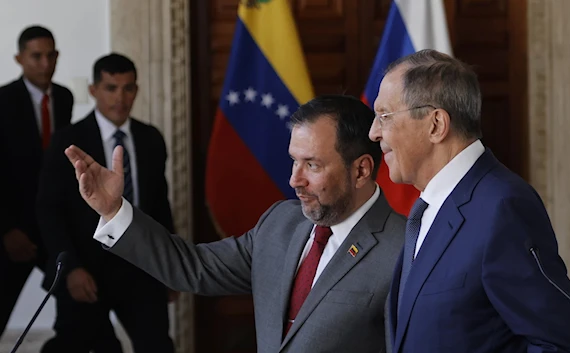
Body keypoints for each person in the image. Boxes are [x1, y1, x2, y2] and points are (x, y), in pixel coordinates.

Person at [64, 94, 407, 353]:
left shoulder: (408, 247)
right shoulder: (281, 223)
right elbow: (192, 267)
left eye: (312, 165)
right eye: (293, 162)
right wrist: (113, 211)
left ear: (361, 170)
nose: (294, 180)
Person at [369, 49, 570, 353]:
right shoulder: (427, 209)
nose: (373, 132)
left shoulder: (503, 207)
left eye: (384, 116)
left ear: (436, 125)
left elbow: (561, 346)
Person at [37, 53, 175, 353]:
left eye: (128, 88)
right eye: (111, 88)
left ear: (137, 90)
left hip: (142, 267)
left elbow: (160, 206)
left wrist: (171, 265)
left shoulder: (151, 138)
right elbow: (49, 211)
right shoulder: (68, 141)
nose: (120, 98)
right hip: (85, 268)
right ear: (94, 90)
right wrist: (70, 267)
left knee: (157, 345)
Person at [0, 25, 76, 337]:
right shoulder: (3, 100)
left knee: (75, 306)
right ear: (19, 58)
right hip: (12, 228)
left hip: (53, 225)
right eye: (36, 56)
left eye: (51, 55)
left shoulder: (66, 97)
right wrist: (6, 229)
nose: (45, 63)